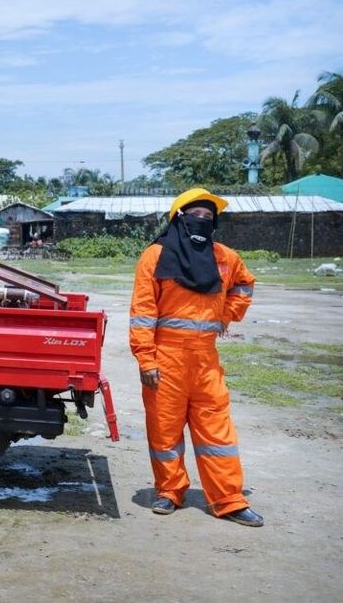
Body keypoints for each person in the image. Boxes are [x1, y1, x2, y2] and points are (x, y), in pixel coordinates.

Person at [129, 187, 263, 527]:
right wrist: (146, 359)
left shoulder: (225, 258)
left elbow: (244, 285)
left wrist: (225, 315)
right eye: (195, 216)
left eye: (208, 217)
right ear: (179, 219)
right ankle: (170, 491)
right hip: (166, 356)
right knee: (164, 430)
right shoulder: (155, 257)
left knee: (217, 432)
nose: (202, 221)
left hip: (206, 360)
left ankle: (229, 499)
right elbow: (143, 313)